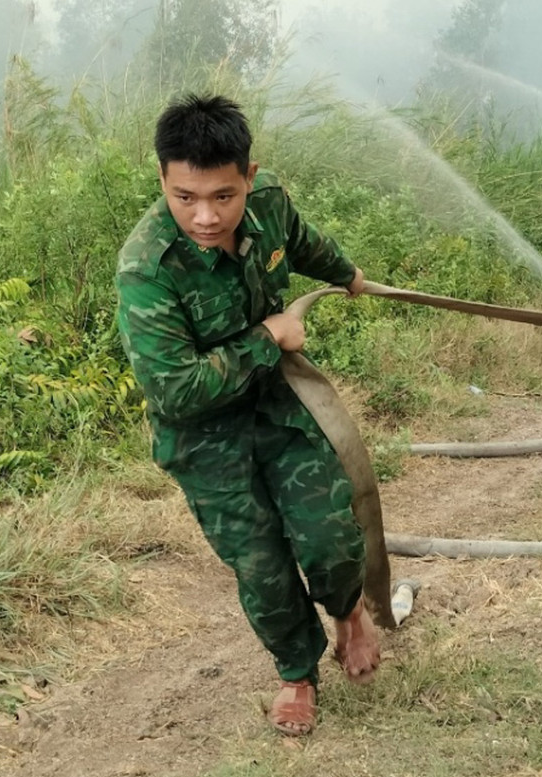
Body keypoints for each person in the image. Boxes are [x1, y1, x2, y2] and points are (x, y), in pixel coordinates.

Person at [115, 94, 380, 738]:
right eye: (184, 197)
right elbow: (176, 391)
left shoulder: (269, 204)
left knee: (330, 536)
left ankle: (349, 612)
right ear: (162, 179)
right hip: (204, 440)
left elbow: (301, 241)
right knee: (261, 566)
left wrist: (346, 274)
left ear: (249, 178)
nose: (205, 216)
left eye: (223, 197)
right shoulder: (146, 268)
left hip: (280, 407)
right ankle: (297, 674)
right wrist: (268, 336)